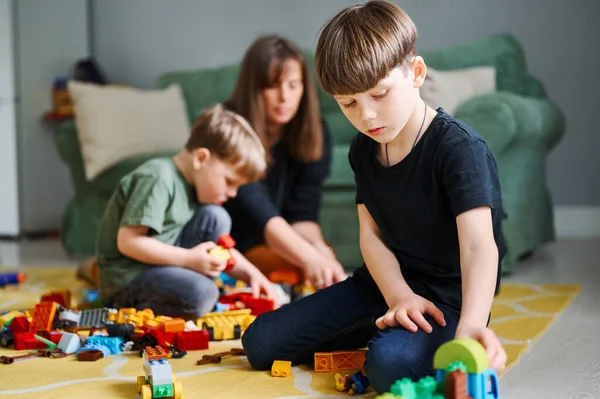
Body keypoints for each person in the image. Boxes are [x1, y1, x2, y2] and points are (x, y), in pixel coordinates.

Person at [240, 1, 507, 394]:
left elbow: (479, 245)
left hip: (448, 298)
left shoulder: (459, 148)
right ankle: (389, 326)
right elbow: (372, 234)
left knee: (387, 368)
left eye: (379, 94)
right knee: (260, 343)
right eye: (348, 103)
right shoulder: (363, 148)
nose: (366, 117)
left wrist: (470, 326)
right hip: (384, 286)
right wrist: (397, 295)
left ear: (416, 73)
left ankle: (420, 336)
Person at [95, 104, 276, 320]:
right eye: (229, 182)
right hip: (129, 275)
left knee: (216, 217)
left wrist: (252, 274)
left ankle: (185, 281)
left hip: (165, 262)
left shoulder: (194, 186)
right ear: (201, 158)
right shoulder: (157, 177)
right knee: (202, 294)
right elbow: (129, 242)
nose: (233, 193)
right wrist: (189, 259)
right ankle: (129, 302)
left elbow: (219, 248)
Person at [223, 35, 347, 289]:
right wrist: (308, 257)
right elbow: (258, 210)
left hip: (281, 238)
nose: (284, 97)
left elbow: (304, 213)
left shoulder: (315, 131)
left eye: (294, 85)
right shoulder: (228, 128)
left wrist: (319, 250)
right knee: (303, 262)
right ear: (254, 88)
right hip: (237, 242)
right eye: (273, 86)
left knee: (322, 255)